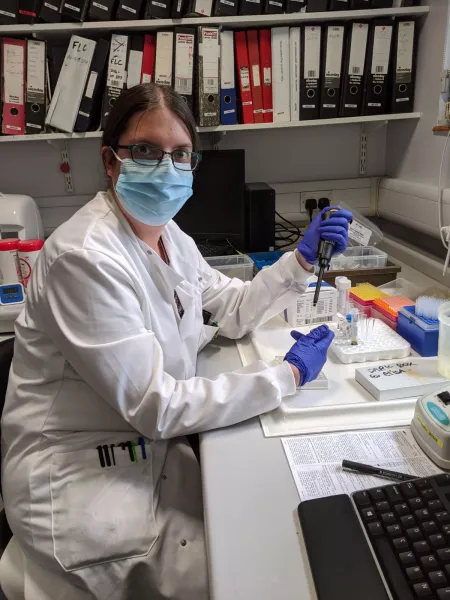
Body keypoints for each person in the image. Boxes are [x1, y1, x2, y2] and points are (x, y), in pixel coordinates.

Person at [1, 83, 352, 600]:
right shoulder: (85, 256)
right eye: (145, 150)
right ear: (111, 161)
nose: (166, 166)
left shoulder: (168, 235)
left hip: (146, 451)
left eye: (181, 154)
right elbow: (156, 406)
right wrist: (287, 375)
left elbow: (231, 309)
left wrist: (299, 262)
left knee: (266, 529)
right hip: (80, 478)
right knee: (254, 574)